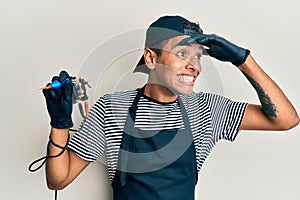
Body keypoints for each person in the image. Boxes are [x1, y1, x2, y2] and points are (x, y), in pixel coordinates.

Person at [42, 15, 299, 199]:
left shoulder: (206, 110)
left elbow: (286, 119)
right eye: (182, 53)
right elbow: (58, 180)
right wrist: (60, 124)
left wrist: (243, 60)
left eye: (198, 56)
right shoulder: (112, 108)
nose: (194, 66)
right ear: (151, 58)